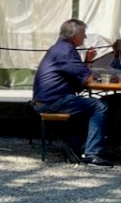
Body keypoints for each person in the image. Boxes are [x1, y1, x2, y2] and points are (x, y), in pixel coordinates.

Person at [31, 19, 112, 167]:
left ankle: (73, 143)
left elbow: (78, 76)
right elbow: (87, 79)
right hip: (52, 101)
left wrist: (88, 61)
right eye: (83, 33)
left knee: (87, 106)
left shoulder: (59, 48)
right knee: (100, 106)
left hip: (44, 100)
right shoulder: (67, 51)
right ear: (74, 36)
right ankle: (91, 153)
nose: (85, 37)